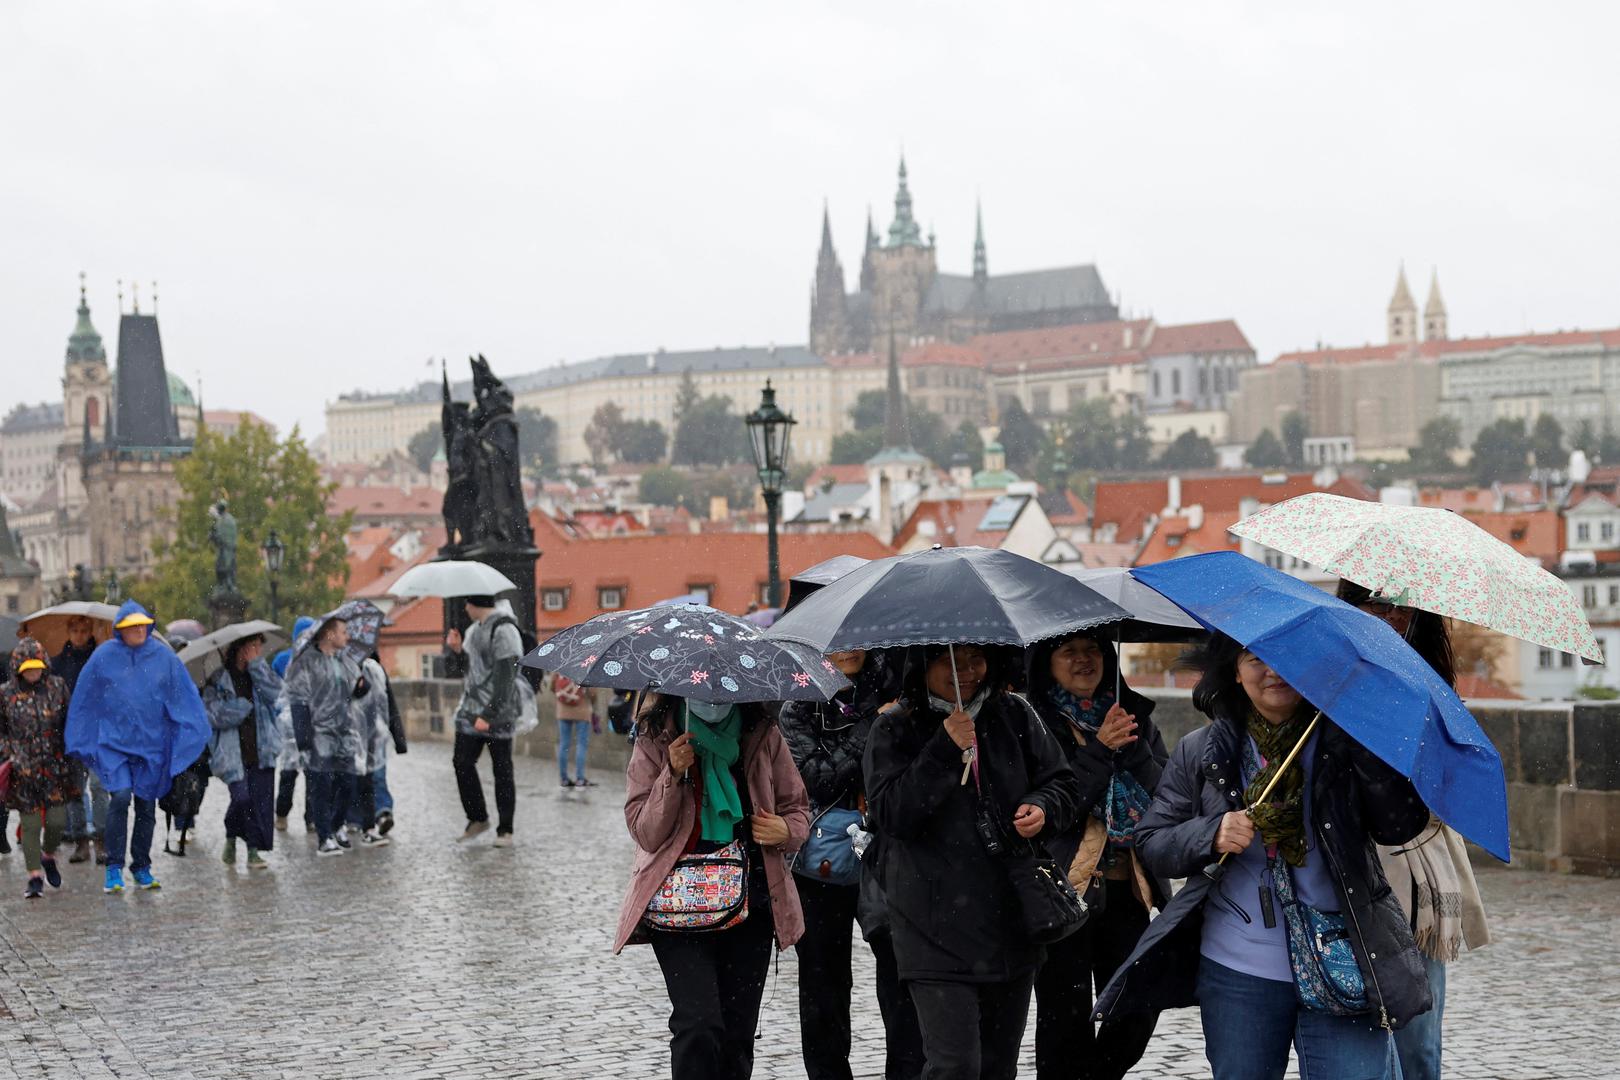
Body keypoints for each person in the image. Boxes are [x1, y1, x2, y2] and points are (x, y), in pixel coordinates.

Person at [1094, 632, 1433, 1080]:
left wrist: (1368, 752)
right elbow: (1154, 843)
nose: (1273, 671)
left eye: (1289, 657)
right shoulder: (1203, 750)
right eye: (1256, 659)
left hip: (1340, 954)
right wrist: (1211, 833)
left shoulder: (1345, 741)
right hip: (1238, 968)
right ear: (1234, 671)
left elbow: (1399, 826)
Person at [864, 644, 1082, 1080]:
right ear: (924, 663)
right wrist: (943, 747)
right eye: (952, 660)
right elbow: (893, 815)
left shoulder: (1014, 715)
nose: (967, 671)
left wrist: (1042, 808)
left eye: (976, 659)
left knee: (998, 1065)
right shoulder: (894, 728)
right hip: (930, 922)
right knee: (955, 1065)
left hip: (1010, 915)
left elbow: (1062, 783)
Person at [1338, 581, 1491, 1080]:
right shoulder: (1329, 676)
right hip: (1345, 860)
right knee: (1356, 1036)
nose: (1390, 617)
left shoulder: (1427, 683)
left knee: (1419, 1036)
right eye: (1376, 605)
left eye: (1401, 608)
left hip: (1416, 863)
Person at [614, 692, 810, 1080]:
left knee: (738, 1037)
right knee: (698, 1025)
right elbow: (645, 832)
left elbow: (797, 806)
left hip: (750, 900)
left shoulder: (761, 732)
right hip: (677, 904)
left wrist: (786, 830)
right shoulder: (656, 735)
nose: (712, 695)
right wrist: (671, 774)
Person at [1025, 630, 1168, 1080]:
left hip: (1130, 890)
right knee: (1063, 1020)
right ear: (1048, 663)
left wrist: (1133, 747)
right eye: (1070, 652)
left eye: (1092, 651)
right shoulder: (1033, 721)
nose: (1084, 660)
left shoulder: (1134, 717)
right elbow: (1053, 809)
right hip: (1063, 891)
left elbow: (1168, 796)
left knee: (1137, 1008)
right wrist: (1100, 750)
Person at [779, 648, 922, 1080]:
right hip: (820, 860)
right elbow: (817, 778)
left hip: (893, 850)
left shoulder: (902, 691)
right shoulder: (798, 704)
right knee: (824, 982)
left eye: (855, 638)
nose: (848, 648)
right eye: (836, 641)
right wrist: (873, 727)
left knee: (902, 972)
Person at [64, 600, 211, 893]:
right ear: (121, 629)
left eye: (143, 624)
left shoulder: (163, 657)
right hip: (114, 745)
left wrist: (186, 728)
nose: (140, 630)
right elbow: (85, 698)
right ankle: (114, 867)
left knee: (146, 806)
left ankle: (141, 866)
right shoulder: (104, 656)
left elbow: (182, 695)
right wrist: (84, 733)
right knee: (119, 798)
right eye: (133, 626)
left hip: (151, 747)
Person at [1, 639, 79, 899]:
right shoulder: (6, 693)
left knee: (57, 822)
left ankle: (48, 855)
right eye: (27, 668)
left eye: (37, 667)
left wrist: (72, 752)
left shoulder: (57, 687)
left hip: (55, 768)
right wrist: (10, 752)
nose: (33, 672)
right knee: (30, 825)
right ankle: (34, 876)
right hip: (23, 771)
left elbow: (71, 720)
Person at [283, 614, 365, 856]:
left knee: (348, 782)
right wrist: (304, 738)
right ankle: (324, 836)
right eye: (343, 632)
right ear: (329, 634)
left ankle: (337, 824)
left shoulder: (344, 660)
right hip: (319, 732)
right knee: (322, 785)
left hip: (344, 731)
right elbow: (298, 700)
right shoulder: (306, 662)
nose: (347, 637)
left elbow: (355, 691)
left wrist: (362, 686)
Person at [445, 595, 524, 846]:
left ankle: (505, 829)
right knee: (462, 762)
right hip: (471, 709)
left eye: (468, 603)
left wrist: (489, 714)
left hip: (498, 714)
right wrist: (458, 650)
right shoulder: (473, 631)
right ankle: (478, 817)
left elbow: (507, 676)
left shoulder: (505, 630)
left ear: (476, 604)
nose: (465, 608)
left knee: (502, 770)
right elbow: (469, 670)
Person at [202, 633, 284, 870]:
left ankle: (253, 850)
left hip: (262, 747)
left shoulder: (261, 671)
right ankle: (232, 832)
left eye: (259, 647)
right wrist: (240, 708)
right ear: (240, 648)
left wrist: (257, 667)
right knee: (242, 797)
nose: (257, 651)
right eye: (253, 646)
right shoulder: (219, 679)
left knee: (259, 801)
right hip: (231, 751)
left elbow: (277, 696)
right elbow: (211, 714)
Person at [51, 615, 105, 865]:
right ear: (69, 632)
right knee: (74, 790)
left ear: (90, 631)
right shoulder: (58, 663)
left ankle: (102, 839)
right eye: (76, 631)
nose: (81, 635)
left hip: (97, 732)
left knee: (98, 786)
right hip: (71, 733)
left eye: (85, 631)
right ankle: (81, 839)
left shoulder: (101, 660)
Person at [343, 654, 395, 847]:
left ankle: (379, 815)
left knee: (374, 777)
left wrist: (397, 736)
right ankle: (354, 819)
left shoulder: (373, 666)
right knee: (353, 779)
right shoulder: (339, 665)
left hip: (374, 731)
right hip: (350, 732)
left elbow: (387, 700)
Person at [273, 615, 316, 833]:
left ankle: (312, 817)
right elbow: (275, 688)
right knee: (289, 772)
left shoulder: (316, 659)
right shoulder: (283, 659)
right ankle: (281, 813)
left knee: (311, 772)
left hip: (310, 720)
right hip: (290, 723)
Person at [552, 671, 599, 788]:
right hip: (582, 711)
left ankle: (563, 779)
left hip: (563, 711)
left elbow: (553, 686)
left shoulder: (562, 662)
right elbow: (593, 693)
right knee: (581, 745)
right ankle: (580, 778)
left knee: (564, 744)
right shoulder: (587, 667)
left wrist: (565, 697)